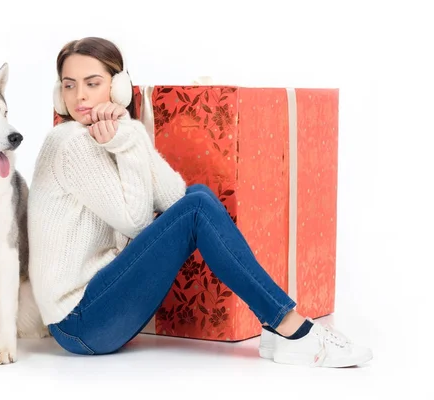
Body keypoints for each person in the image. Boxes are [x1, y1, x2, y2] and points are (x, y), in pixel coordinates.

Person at [27, 36, 372, 368]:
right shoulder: (69, 142)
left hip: (97, 310)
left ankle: (277, 327)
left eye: (92, 83)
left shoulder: (103, 135)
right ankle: (291, 328)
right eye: (69, 85)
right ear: (59, 93)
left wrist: (125, 132)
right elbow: (136, 222)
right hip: (80, 323)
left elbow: (173, 195)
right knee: (197, 207)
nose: (80, 97)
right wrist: (128, 139)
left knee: (198, 197)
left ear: (117, 88)